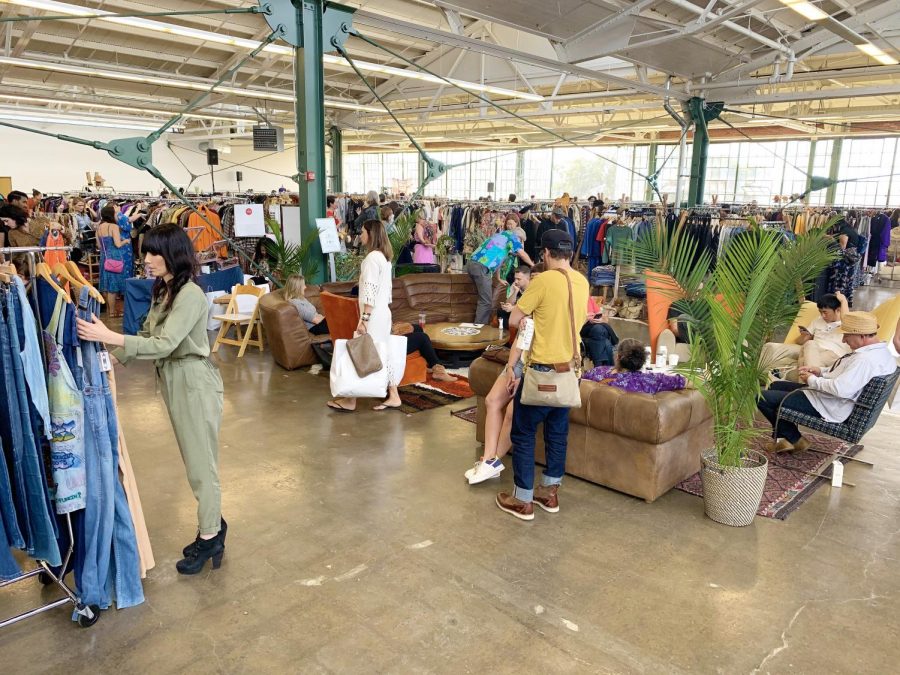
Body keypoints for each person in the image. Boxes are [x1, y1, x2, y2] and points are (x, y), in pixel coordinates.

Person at [75, 224, 227, 574]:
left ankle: (210, 535)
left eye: (152, 253)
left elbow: (166, 343)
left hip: (193, 381)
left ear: (171, 253)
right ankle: (213, 524)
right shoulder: (166, 289)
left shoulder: (188, 293)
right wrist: (112, 356)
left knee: (201, 465)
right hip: (175, 379)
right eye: (145, 252)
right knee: (195, 460)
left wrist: (109, 335)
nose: (145, 260)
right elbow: (147, 333)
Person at [496, 229, 589, 521]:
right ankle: (549, 492)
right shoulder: (582, 282)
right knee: (557, 434)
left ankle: (523, 500)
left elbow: (514, 319)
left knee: (523, 434)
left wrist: (534, 318)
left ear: (546, 254)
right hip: (567, 376)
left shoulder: (544, 280)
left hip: (540, 374)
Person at [757, 311, 897, 453]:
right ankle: (785, 438)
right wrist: (819, 371)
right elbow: (845, 374)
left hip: (827, 404)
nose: (843, 340)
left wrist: (812, 380)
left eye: (846, 335)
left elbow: (840, 389)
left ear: (861, 335)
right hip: (831, 398)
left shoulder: (864, 360)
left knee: (761, 397)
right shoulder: (882, 354)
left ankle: (794, 439)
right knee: (776, 385)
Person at [327, 219, 404, 412]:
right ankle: (394, 395)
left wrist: (365, 319)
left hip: (373, 315)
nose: (360, 235)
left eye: (362, 232)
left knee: (359, 353)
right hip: (383, 312)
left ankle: (350, 400)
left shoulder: (371, 259)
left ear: (371, 234)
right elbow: (385, 291)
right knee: (382, 353)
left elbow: (370, 290)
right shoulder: (385, 259)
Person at [760, 292, 851, 380]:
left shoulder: (847, 324)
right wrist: (804, 336)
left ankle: (806, 384)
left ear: (838, 310)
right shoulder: (818, 320)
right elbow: (800, 342)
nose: (822, 315)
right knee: (770, 347)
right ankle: (758, 377)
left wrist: (843, 301)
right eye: (820, 312)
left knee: (809, 347)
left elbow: (847, 319)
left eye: (825, 312)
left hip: (832, 354)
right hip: (808, 349)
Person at [466, 222, 534, 324]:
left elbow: (498, 262)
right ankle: (479, 330)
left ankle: (479, 327)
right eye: (521, 241)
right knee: (486, 302)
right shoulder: (512, 236)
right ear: (519, 237)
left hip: (473, 264)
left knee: (483, 299)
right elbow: (521, 253)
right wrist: (533, 265)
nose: (521, 244)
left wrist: (498, 278)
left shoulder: (500, 237)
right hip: (481, 266)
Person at [583, 339, 686, 393]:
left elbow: (579, 380)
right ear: (643, 360)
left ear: (618, 356)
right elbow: (684, 382)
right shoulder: (650, 380)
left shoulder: (596, 373)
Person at [96, 205, 131, 317]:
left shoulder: (99, 227)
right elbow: (117, 244)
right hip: (114, 257)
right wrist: (125, 241)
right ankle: (112, 312)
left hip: (104, 257)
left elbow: (99, 246)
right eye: (115, 213)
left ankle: (109, 310)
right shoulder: (113, 226)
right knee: (113, 286)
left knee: (106, 284)